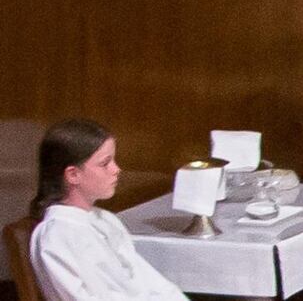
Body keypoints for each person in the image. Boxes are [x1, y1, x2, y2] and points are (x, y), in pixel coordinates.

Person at [29, 118, 188, 300]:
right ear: (73, 174)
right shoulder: (58, 235)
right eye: (105, 163)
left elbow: (145, 281)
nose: (116, 169)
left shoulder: (105, 219)